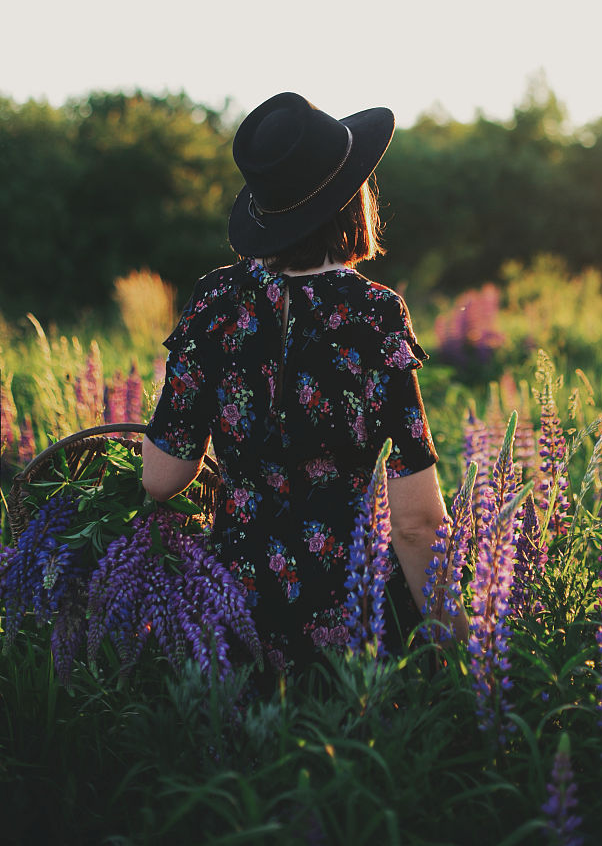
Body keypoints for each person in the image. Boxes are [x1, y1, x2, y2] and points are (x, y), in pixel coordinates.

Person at [142, 92, 463, 680]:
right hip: (354, 621)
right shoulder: (374, 314)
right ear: (352, 202)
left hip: (233, 619)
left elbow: (161, 479)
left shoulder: (216, 301)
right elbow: (417, 523)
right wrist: (463, 653)